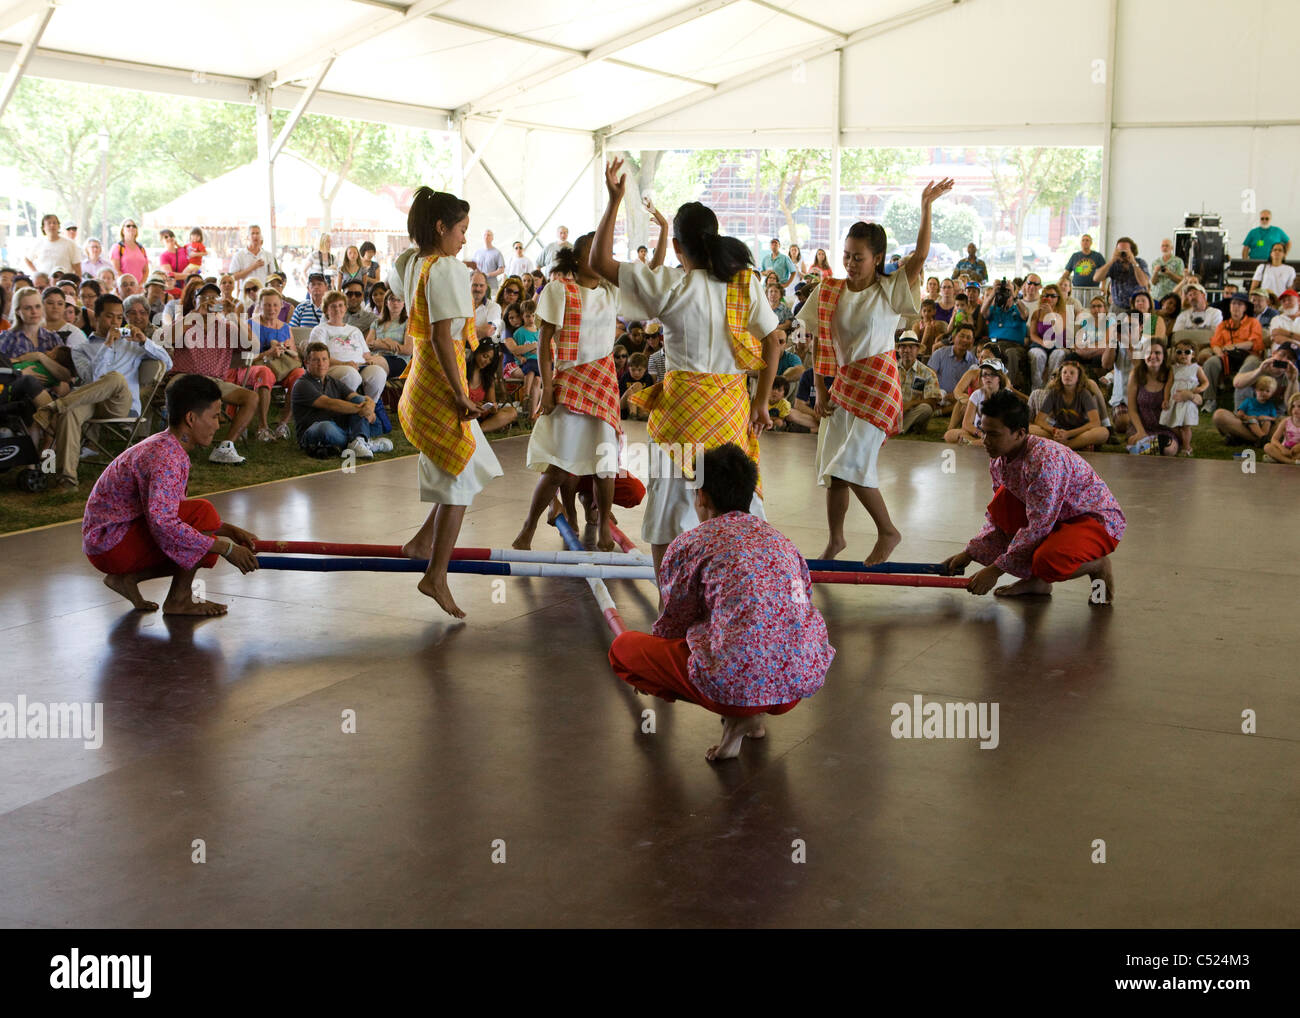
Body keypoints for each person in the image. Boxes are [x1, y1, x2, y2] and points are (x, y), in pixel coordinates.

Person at [589, 159, 782, 579]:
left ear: (677, 248)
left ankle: (671, 604)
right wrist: (762, 403)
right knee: (734, 503)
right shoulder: (744, 282)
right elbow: (775, 339)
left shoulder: (672, 285)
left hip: (680, 415)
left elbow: (599, 262)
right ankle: (738, 588)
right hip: (730, 413)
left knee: (669, 508)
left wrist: (614, 200)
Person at [606, 443, 834, 763]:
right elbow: (799, 606)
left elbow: (674, 619)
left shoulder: (692, 543)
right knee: (748, 627)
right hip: (797, 681)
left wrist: (650, 671)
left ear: (701, 496)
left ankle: (742, 715)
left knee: (624, 649)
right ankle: (753, 720)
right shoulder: (782, 541)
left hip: (736, 683)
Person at [800, 179, 953, 565]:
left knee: (850, 465)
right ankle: (836, 540)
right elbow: (819, 341)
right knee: (833, 470)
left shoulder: (889, 288)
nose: (851, 263)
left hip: (880, 385)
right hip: (843, 386)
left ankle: (888, 531)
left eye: (859, 257)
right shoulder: (828, 290)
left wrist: (926, 206)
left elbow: (919, 256)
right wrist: (819, 389)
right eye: (847, 255)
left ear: (877, 257)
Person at [391, 188, 504, 618]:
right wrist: (461, 394)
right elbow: (443, 336)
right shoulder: (450, 269)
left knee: (470, 467)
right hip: (439, 384)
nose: (463, 239)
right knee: (457, 479)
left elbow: (437, 337)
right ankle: (435, 574)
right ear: (441, 228)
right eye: (460, 230)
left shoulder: (414, 262)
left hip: (423, 379)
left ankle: (421, 542)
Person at [81, 374, 260, 615]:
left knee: (201, 540)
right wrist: (225, 548)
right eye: (215, 416)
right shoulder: (167, 457)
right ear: (190, 418)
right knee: (202, 515)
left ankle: (127, 579)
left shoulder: (167, 445)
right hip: (110, 545)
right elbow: (165, 522)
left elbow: (169, 513)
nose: (219, 425)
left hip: (107, 540)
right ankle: (179, 599)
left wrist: (230, 531)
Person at [941, 390, 1124, 602]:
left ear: (1019, 433)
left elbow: (1038, 526)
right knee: (1002, 502)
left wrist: (995, 570)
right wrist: (970, 553)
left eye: (993, 434)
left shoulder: (1044, 461)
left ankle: (1097, 565)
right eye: (983, 432)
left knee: (1047, 561)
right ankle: (1038, 582)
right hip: (1056, 517)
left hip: (1095, 520)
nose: (985, 440)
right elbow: (999, 519)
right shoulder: (1000, 457)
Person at [513, 232, 623, 551]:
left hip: (603, 382)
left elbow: (651, 276)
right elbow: (544, 342)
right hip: (571, 379)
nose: (602, 257)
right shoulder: (559, 290)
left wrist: (658, 228)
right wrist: (547, 388)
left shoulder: (611, 291)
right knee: (560, 465)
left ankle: (603, 524)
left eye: (605, 251)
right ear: (576, 259)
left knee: (605, 462)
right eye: (594, 251)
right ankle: (528, 527)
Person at [291, 342, 391, 458]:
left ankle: (359, 441)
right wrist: (360, 409)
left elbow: (358, 398)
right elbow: (329, 403)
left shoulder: (333, 381)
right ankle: (363, 442)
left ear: (329, 362)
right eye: (315, 360)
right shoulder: (302, 384)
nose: (321, 364)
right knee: (325, 428)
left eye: (324, 359)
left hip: (338, 428)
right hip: (313, 431)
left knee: (373, 419)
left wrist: (369, 406)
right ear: (306, 362)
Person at [248, 288, 302, 440]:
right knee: (265, 373)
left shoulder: (285, 327)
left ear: (281, 306)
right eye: (267, 305)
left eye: (275, 305)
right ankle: (263, 426)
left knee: (300, 374)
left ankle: (283, 423)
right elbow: (246, 359)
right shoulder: (251, 325)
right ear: (259, 305)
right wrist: (268, 353)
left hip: (282, 368)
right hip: (257, 366)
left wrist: (286, 350)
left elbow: (296, 359)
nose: (271, 309)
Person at [1030, 354, 1109, 452]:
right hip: (1058, 432)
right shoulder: (1054, 392)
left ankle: (1066, 446)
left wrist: (1069, 434)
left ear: (1078, 377)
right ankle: (1074, 446)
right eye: (1065, 373)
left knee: (1103, 432)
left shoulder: (1084, 394)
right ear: (1060, 376)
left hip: (1079, 433)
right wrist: (1054, 431)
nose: (1068, 375)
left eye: (1072, 373)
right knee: (1030, 429)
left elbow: (1095, 422)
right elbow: (1039, 420)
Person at [1125, 340, 1182, 455]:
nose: (1153, 356)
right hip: (1141, 426)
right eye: (1149, 353)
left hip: (1165, 428)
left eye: (1157, 353)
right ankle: (1145, 447)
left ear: (1164, 356)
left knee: (1169, 450)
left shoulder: (1171, 374)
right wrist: (1141, 432)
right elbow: (1132, 409)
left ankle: (1144, 449)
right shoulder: (1136, 374)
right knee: (1136, 441)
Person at [1158, 340, 1209, 456]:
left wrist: (1199, 389)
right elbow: (1168, 385)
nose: (1183, 355)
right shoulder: (1174, 369)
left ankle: (1187, 447)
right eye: (1179, 352)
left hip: (1188, 401)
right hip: (1175, 400)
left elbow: (1205, 382)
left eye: (1187, 352)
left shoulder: (1196, 368)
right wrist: (1166, 399)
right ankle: (1182, 441)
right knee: (1172, 423)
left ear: (1193, 354)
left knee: (1185, 425)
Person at [944, 358, 1010, 445]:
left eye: (992, 374)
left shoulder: (1008, 396)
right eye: (985, 374)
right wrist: (980, 433)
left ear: (1000, 378)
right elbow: (966, 424)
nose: (988, 377)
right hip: (978, 434)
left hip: (998, 435)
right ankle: (977, 443)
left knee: (1002, 439)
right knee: (950, 435)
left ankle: (971, 444)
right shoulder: (977, 394)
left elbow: (1008, 426)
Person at [464, 339, 518, 434]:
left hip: (480, 416)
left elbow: (490, 402)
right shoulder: (463, 371)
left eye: (490, 360)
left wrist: (493, 407)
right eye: (485, 356)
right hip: (464, 413)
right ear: (476, 352)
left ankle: (478, 431)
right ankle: (477, 430)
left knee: (512, 412)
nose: (487, 362)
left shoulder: (487, 377)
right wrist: (471, 404)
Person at [894, 332, 941, 434]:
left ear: (917, 350)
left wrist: (910, 404)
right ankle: (905, 427)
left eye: (911, 347)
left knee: (926, 409)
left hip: (913, 412)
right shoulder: (890, 369)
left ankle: (897, 429)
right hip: (893, 411)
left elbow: (932, 401)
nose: (907, 350)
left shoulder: (927, 373)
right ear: (899, 350)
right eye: (903, 347)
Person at [367, 290, 410, 377]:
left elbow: (408, 350)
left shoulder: (408, 322)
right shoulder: (376, 323)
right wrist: (387, 341)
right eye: (392, 299)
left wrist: (381, 344)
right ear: (386, 303)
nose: (395, 303)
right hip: (375, 356)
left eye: (399, 300)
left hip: (398, 359)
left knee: (374, 363)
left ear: (404, 303)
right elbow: (367, 345)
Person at [1232, 374, 1280, 442]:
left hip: (1263, 423)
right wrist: (1247, 417)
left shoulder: (1270, 405)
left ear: (1272, 394)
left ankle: (1262, 439)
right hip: (1249, 423)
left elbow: (1274, 418)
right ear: (1255, 390)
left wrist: (1266, 417)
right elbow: (1239, 413)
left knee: (1267, 422)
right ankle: (1263, 438)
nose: (1264, 393)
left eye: (1267, 391)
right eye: (1261, 390)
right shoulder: (1249, 401)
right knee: (1253, 421)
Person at [1262, 391, 1300, 464]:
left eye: (1299, 406)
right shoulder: (1286, 421)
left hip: (1297, 451)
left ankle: (1278, 459)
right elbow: (1274, 439)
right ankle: (1291, 461)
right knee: (1267, 447)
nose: (1295, 409)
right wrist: (1282, 449)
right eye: (1293, 406)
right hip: (1285, 450)